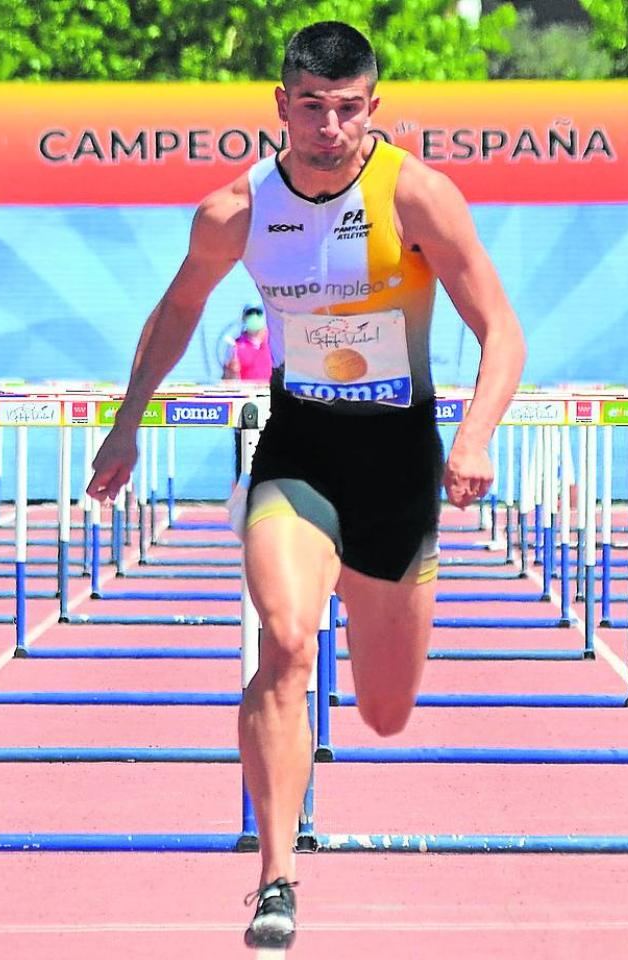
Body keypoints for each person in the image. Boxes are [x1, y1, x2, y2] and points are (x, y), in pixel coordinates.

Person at [87, 21, 525, 950]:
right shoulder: (233, 213)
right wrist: (125, 423)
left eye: (350, 109)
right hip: (300, 451)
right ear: (281, 106)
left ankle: (382, 652)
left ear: (376, 109)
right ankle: (276, 876)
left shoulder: (417, 195)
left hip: (400, 462)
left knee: (385, 709)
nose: (332, 127)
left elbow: (502, 331)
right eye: (314, 108)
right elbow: (175, 313)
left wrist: (476, 435)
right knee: (286, 639)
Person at [223, 304, 274, 381]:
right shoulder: (235, 347)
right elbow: (227, 381)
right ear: (244, 318)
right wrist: (232, 372)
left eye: (258, 313)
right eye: (250, 314)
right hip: (250, 391)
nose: (254, 316)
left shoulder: (274, 341)